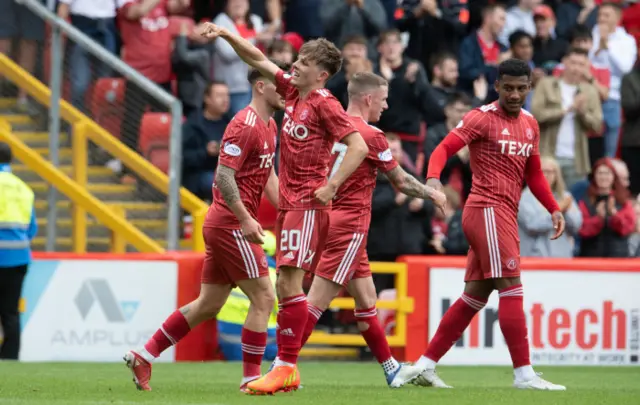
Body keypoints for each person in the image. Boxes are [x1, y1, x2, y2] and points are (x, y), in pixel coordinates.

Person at [199, 23, 369, 394]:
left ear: (321, 75)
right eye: (298, 58)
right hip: (290, 205)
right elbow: (257, 57)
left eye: (304, 62)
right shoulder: (292, 91)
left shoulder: (325, 103)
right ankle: (285, 367)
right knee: (286, 284)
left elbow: (358, 147)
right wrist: (226, 35)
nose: (295, 64)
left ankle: (286, 365)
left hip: (308, 204)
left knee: (289, 283)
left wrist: (332, 185)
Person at [123, 63, 285, 392]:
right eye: (279, 82)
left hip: (226, 222)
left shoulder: (269, 125)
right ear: (260, 86)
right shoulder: (244, 124)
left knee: (209, 304)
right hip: (230, 223)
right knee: (265, 297)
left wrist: (290, 211)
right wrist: (244, 217)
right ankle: (251, 380)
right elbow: (223, 176)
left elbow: (268, 175)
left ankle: (144, 354)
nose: (286, 89)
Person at [416, 59, 567, 390]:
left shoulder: (530, 123)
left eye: (521, 88)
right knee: (511, 285)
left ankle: (423, 366)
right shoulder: (480, 118)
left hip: (501, 213)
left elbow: (535, 174)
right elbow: (443, 147)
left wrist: (553, 207)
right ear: (496, 86)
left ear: (529, 88)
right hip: (486, 209)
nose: (514, 94)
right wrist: (433, 179)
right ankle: (524, 374)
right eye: (508, 88)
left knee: (475, 295)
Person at [294, 72, 446, 387]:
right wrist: (433, 193)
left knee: (366, 301)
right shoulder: (370, 135)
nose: (386, 105)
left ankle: (391, 370)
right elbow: (401, 181)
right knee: (316, 301)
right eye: (383, 99)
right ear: (368, 99)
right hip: (349, 225)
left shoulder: (329, 129)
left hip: (325, 218)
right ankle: (283, 363)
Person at [0, 142, 37, 360]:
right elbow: (31, 228)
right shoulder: (23, 188)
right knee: (11, 313)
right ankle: (10, 358)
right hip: (18, 258)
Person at [519, 156, 583, 258]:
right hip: (534, 258)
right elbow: (532, 224)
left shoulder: (565, 196)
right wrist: (558, 209)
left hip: (562, 257)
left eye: (551, 171)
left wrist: (567, 212)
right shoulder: (524, 197)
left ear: (557, 175)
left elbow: (576, 226)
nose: (546, 175)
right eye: (542, 171)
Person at [577, 158, 636, 257]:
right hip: (591, 257)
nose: (603, 177)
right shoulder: (586, 200)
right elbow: (582, 229)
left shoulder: (623, 200)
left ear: (613, 177)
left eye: (607, 173)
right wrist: (598, 219)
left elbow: (627, 228)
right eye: (600, 173)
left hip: (618, 257)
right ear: (594, 176)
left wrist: (614, 215)